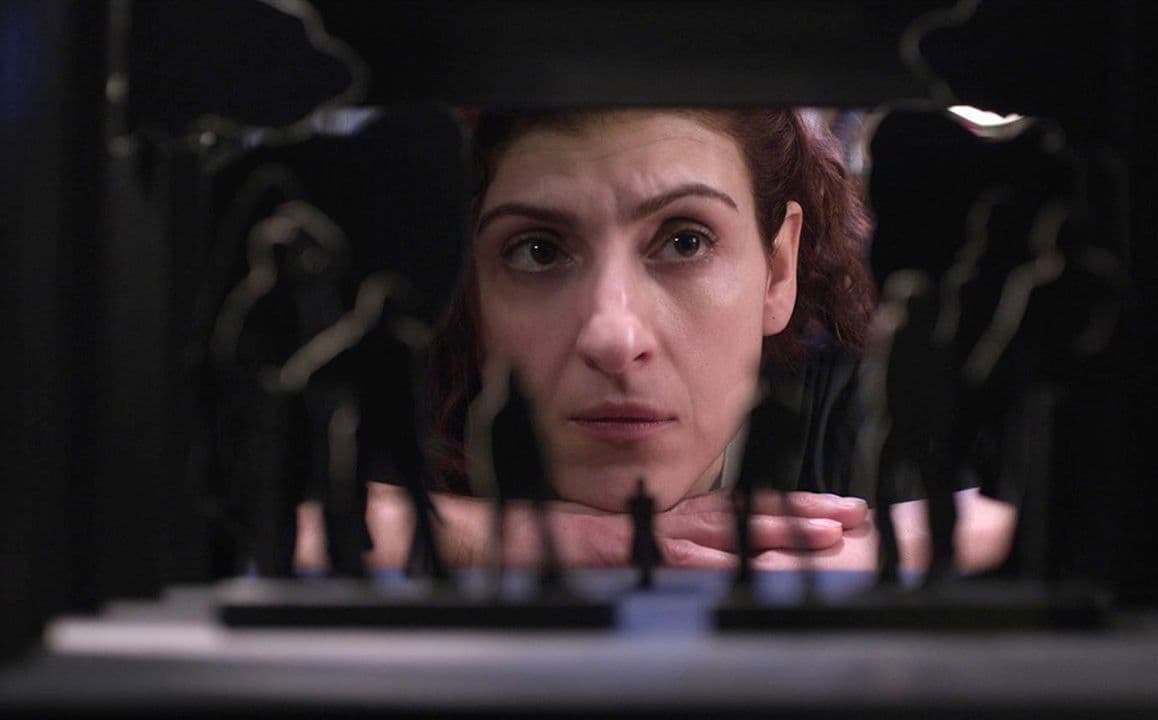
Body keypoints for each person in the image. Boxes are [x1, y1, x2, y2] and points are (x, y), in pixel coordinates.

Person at [325, 108, 1016, 574]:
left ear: (777, 270)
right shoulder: (400, 387)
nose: (613, 336)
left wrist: (842, 553)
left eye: (685, 242)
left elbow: (1034, 504)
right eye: (538, 251)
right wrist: (530, 538)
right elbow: (280, 510)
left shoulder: (873, 391)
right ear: (467, 283)